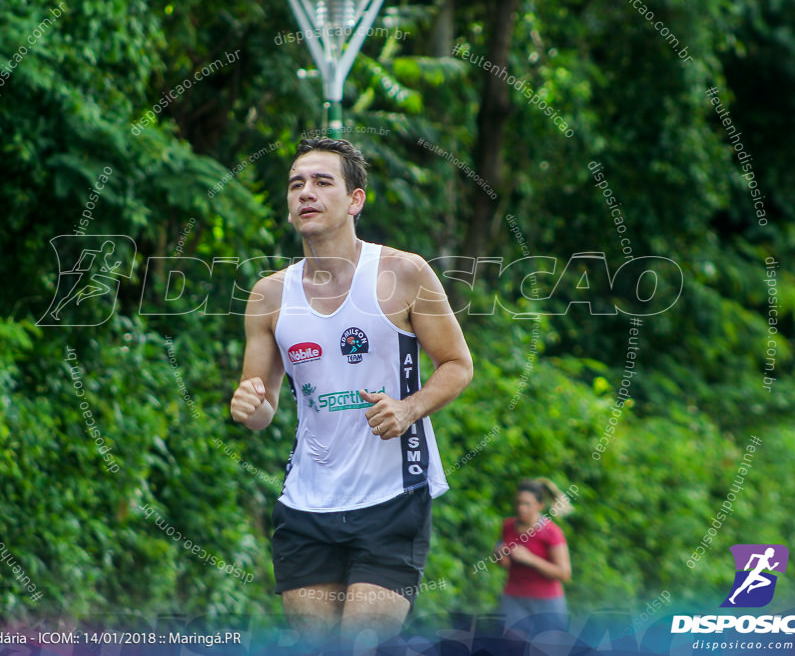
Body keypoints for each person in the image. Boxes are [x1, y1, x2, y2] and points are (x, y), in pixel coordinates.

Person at [229, 137, 473, 648]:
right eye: (296, 184)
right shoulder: (270, 295)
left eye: (322, 182)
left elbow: (457, 365)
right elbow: (264, 407)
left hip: (392, 496)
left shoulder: (403, 273)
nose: (306, 193)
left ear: (355, 200)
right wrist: (249, 406)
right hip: (306, 503)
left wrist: (409, 408)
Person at [495, 478, 573, 636]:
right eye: (518, 503)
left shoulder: (552, 532)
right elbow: (503, 564)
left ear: (539, 505)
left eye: (527, 504)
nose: (521, 508)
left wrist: (531, 559)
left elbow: (564, 574)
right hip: (513, 599)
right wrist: (498, 554)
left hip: (546, 602)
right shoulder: (508, 526)